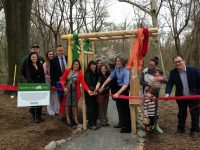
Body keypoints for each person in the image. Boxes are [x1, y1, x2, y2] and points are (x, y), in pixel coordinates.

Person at [165, 55, 200, 138]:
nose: (178, 63)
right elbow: (169, 83)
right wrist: (167, 93)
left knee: (195, 113)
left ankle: (195, 130)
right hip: (181, 96)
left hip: (194, 96)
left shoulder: (194, 70)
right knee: (181, 113)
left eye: (179, 61)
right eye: (176, 62)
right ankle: (180, 128)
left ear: (183, 61)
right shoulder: (173, 72)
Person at [99, 55, 131, 133]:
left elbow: (126, 84)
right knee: (120, 107)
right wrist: (103, 86)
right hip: (119, 88)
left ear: (122, 62)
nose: (117, 62)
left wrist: (117, 93)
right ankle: (122, 123)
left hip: (124, 89)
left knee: (125, 109)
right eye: (116, 61)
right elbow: (110, 77)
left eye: (119, 61)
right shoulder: (116, 68)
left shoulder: (126, 70)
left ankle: (127, 127)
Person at [60, 59, 93, 126]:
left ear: (79, 65)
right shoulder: (68, 71)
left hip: (75, 91)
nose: (75, 65)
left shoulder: (80, 73)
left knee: (75, 105)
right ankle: (68, 118)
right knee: (67, 105)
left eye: (77, 64)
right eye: (74, 64)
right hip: (67, 91)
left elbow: (83, 83)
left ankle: (75, 119)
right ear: (72, 65)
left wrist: (89, 90)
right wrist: (64, 88)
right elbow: (62, 80)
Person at [25, 52, 45, 123]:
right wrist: (33, 85)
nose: (34, 58)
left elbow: (42, 74)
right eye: (32, 57)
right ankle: (35, 117)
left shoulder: (40, 65)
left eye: (35, 57)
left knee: (40, 101)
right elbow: (28, 77)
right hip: (33, 85)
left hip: (41, 85)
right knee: (35, 102)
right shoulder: (28, 66)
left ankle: (39, 115)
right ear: (30, 58)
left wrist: (43, 83)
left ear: (37, 58)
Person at [50, 45, 67, 111]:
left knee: (68, 97)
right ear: (57, 51)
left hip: (68, 81)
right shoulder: (53, 61)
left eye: (62, 50)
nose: (61, 52)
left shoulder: (68, 58)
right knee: (61, 97)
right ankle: (63, 113)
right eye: (59, 51)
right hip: (59, 83)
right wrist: (53, 84)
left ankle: (69, 113)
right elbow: (52, 74)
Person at [43, 50, 59, 116]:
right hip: (48, 82)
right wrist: (50, 79)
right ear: (47, 55)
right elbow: (45, 74)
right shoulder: (45, 64)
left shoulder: (56, 62)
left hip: (55, 81)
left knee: (56, 96)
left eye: (52, 54)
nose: (51, 55)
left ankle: (57, 110)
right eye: (49, 54)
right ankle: (50, 111)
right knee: (49, 97)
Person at [85, 60, 99, 130]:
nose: (93, 66)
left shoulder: (96, 73)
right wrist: (94, 90)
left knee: (95, 108)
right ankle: (91, 124)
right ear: (89, 66)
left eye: (94, 65)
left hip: (95, 93)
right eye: (91, 65)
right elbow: (88, 84)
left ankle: (94, 122)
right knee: (90, 108)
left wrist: (97, 90)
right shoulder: (88, 74)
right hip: (89, 94)